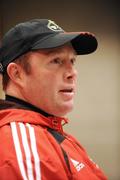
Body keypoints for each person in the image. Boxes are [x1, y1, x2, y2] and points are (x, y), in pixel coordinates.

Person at [0, 19, 107, 180]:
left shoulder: (50, 133)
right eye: (56, 61)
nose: (72, 73)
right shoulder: (24, 151)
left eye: (72, 61)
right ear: (17, 74)